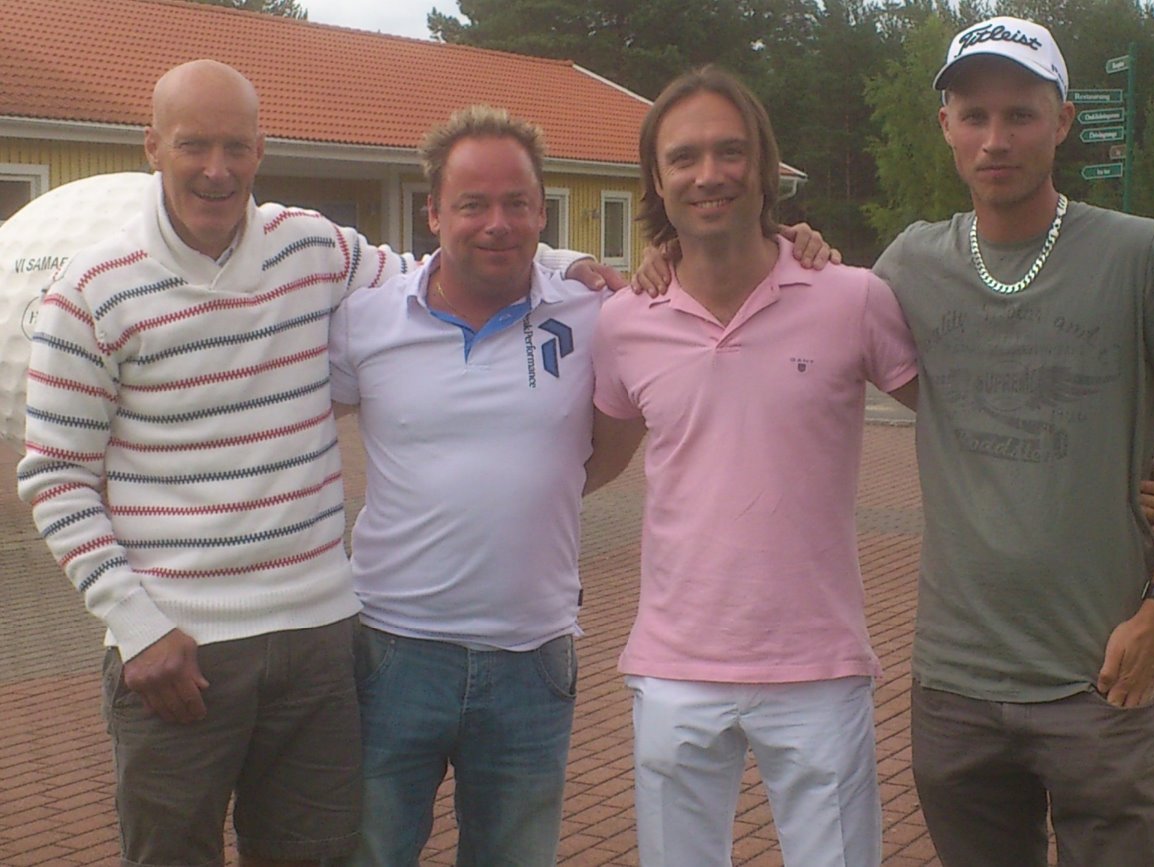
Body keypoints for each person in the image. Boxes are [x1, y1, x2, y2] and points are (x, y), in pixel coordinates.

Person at [15, 61, 619, 867]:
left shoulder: (312, 248)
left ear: (260, 150)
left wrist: (567, 263)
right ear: (152, 146)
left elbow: (442, 263)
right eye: (194, 145)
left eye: (236, 146)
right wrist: (135, 625)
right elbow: (55, 475)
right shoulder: (90, 289)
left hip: (318, 644)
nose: (217, 168)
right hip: (177, 648)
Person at [328, 103, 837, 866]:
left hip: (532, 658)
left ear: (542, 211)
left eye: (517, 203)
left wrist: (792, 244)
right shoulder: (365, 321)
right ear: (433, 212)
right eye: (472, 204)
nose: (497, 223)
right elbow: (299, 428)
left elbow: (610, 444)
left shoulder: (597, 309)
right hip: (392, 650)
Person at [872, 17, 1154, 866]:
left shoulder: (1141, 254)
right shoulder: (909, 265)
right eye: (974, 115)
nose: (996, 139)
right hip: (955, 683)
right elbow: (793, 307)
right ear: (946, 126)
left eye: (1021, 114)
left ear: (1062, 121)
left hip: (1103, 675)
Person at [587, 67, 919, 867]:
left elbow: (965, 420)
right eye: (684, 157)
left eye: (730, 151)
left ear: (766, 166)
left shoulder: (851, 297)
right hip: (674, 668)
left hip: (819, 666)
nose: (709, 174)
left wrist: (1109, 461)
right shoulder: (624, 320)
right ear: (656, 179)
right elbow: (589, 462)